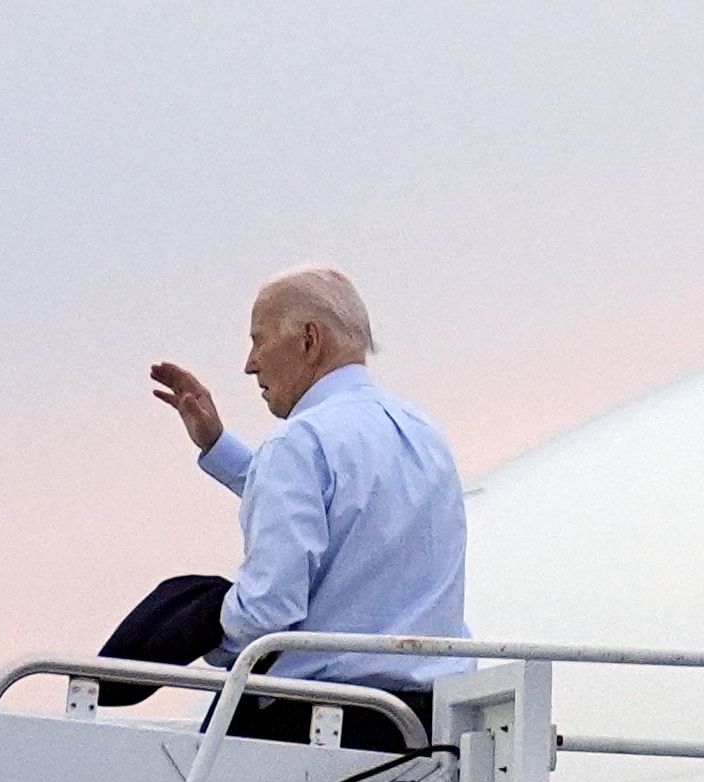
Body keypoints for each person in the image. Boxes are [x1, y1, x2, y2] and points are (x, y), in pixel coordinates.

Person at [95, 266, 467, 754]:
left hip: (316, 728)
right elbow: (338, 508)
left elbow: (268, 610)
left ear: (310, 341)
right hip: (425, 729)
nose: (250, 364)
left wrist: (194, 626)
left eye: (259, 340)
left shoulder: (300, 441)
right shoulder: (424, 434)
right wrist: (218, 444)